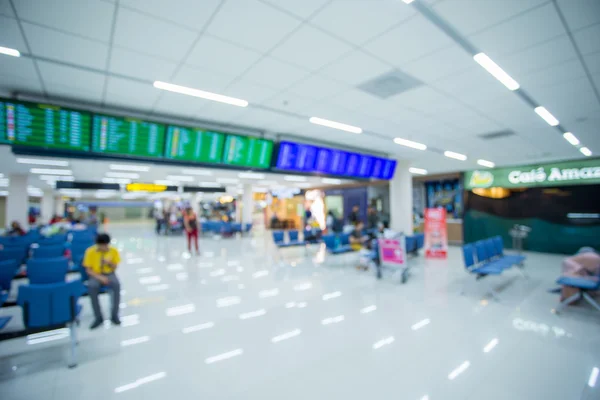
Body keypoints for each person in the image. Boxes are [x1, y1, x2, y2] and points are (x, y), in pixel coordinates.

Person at [83, 233, 121, 329]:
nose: (103, 247)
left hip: (109, 273)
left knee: (116, 285)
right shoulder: (90, 251)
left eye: (105, 245)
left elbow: (115, 267)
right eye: (101, 245)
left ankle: (114, 315)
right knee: (92, 287)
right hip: (95, 274)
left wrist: (109, 263)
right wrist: (100, 278)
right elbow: (88, 270)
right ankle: (98, 317)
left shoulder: (113, 251)